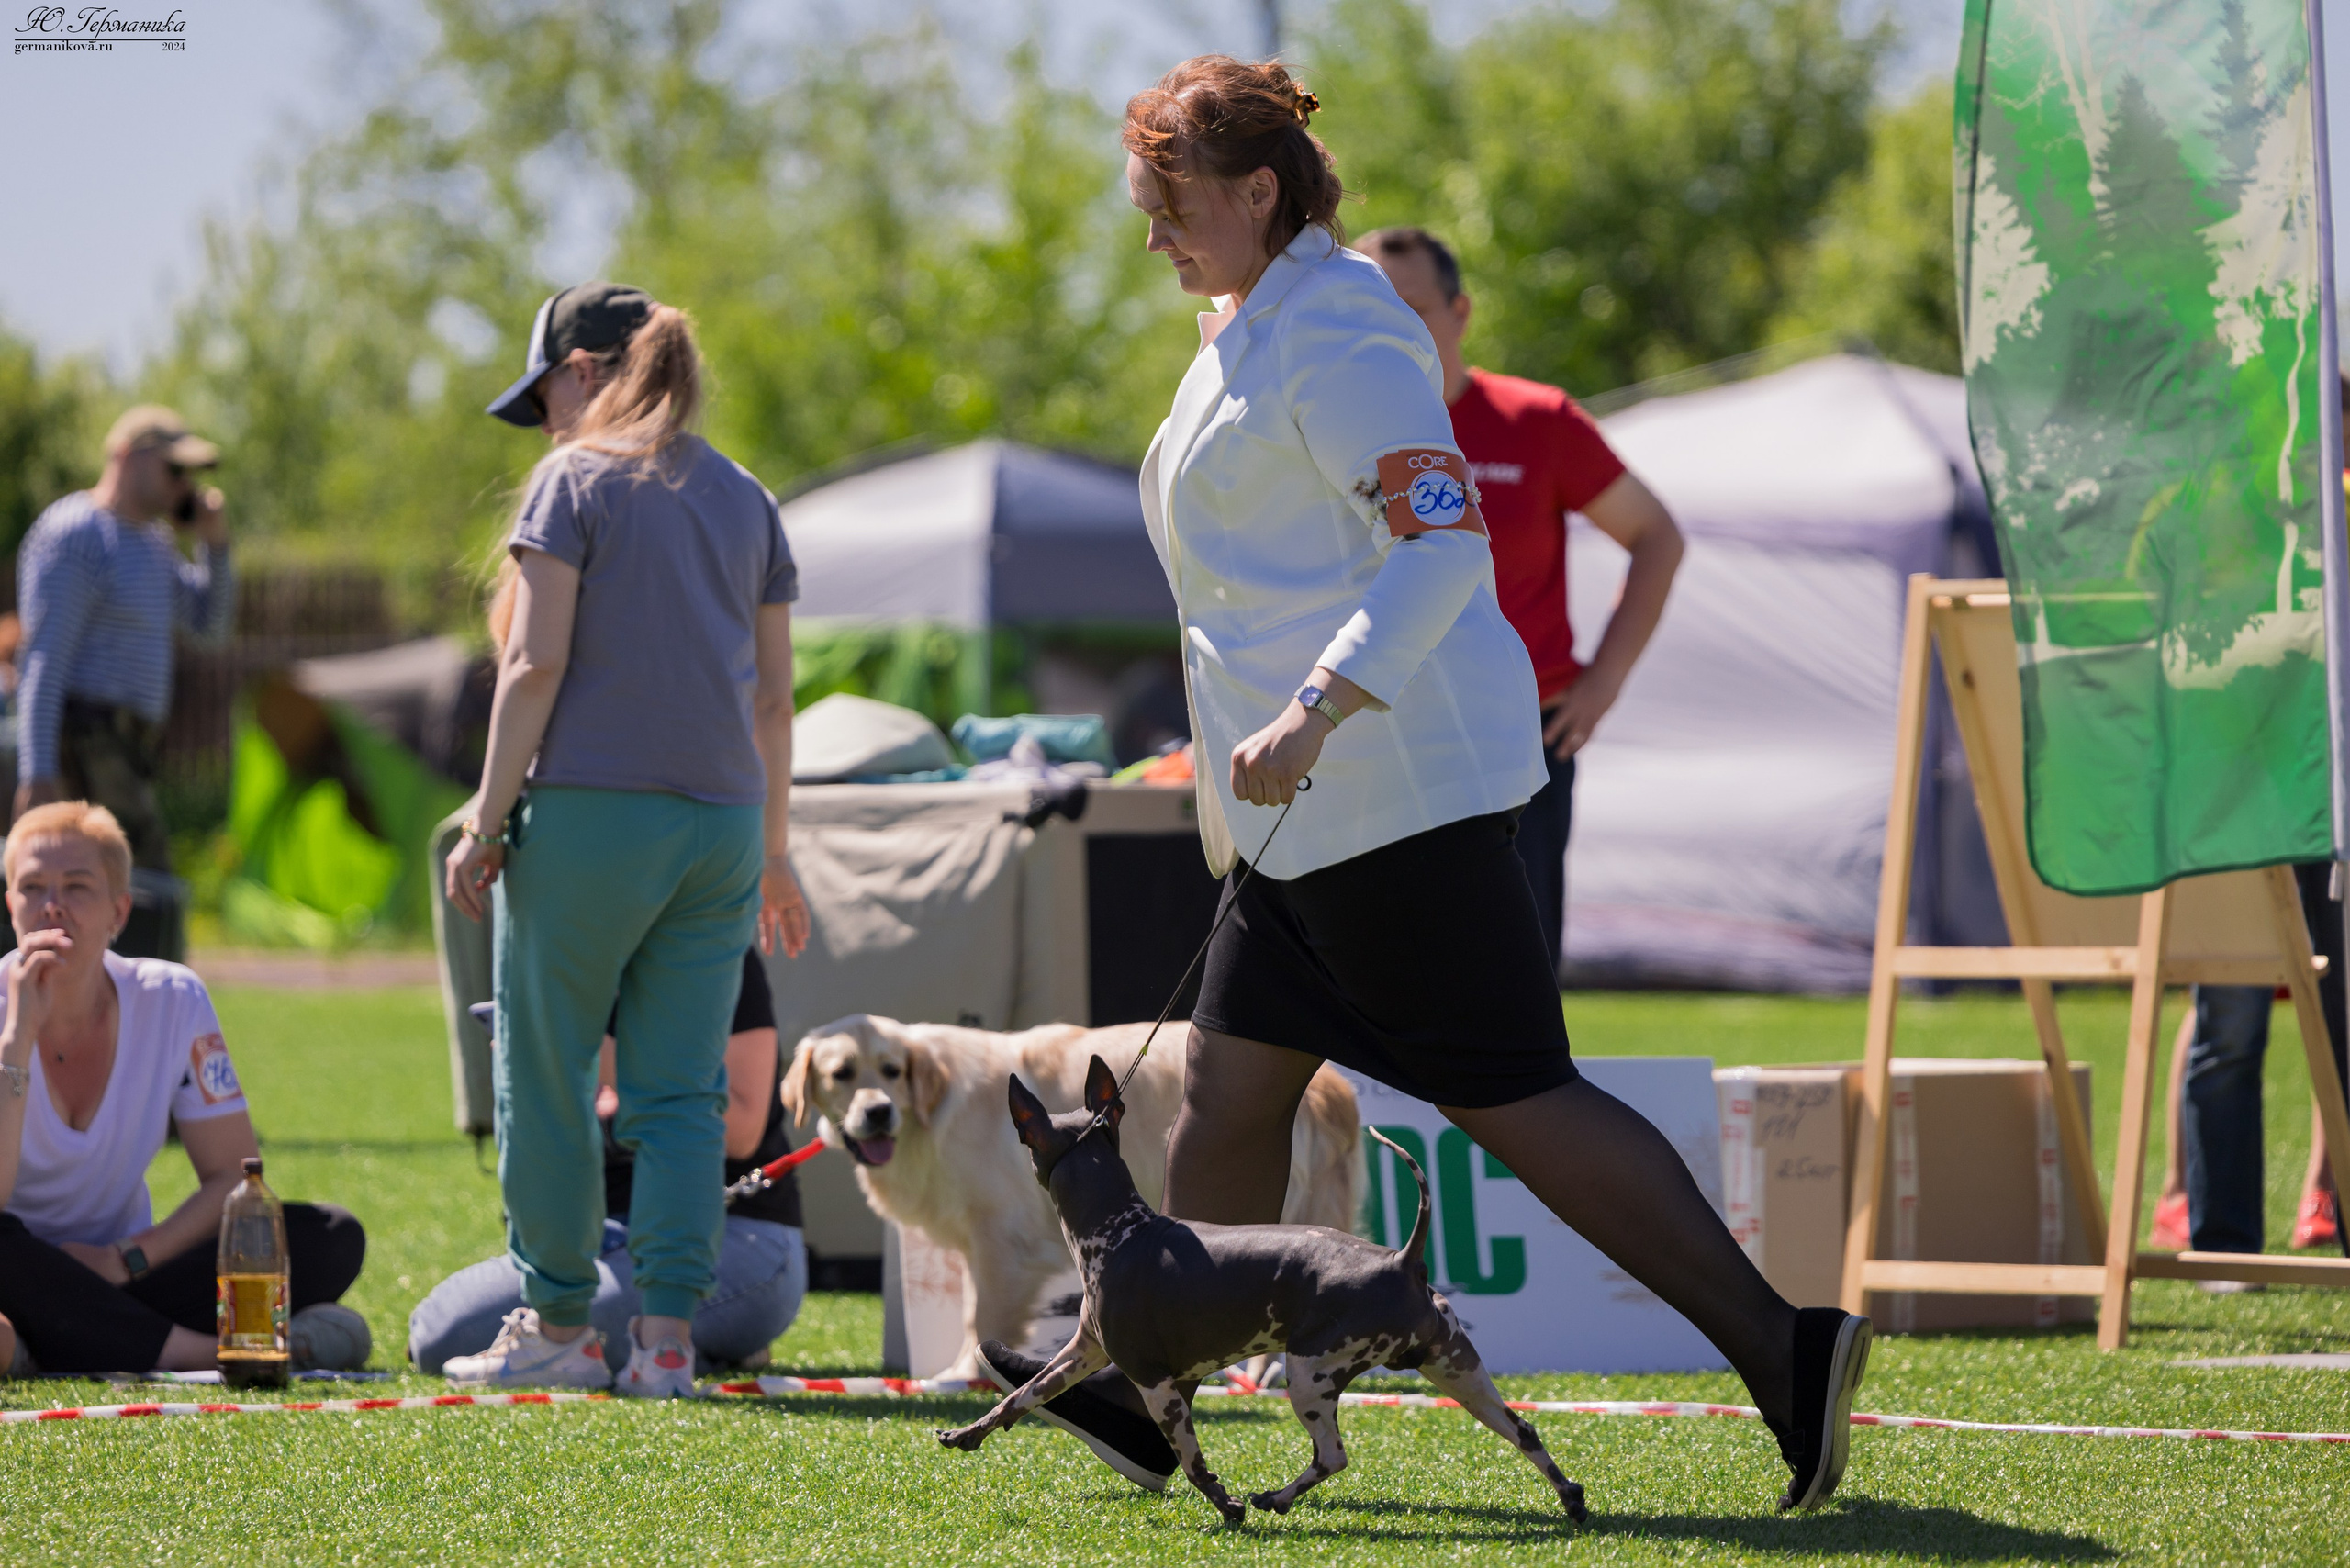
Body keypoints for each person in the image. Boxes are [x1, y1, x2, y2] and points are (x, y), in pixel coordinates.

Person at [978, 56, 1870, 1516]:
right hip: (1291, 817)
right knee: (1224, 1084)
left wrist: (1317, 707)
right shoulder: (1246, 326)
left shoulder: (1342, 328)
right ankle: (1155, 1388)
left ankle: (1785, 1347)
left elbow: (1441, 550)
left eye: (1173, 205)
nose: (1153, 236)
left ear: (1259, 193)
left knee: (1518, 1095)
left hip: (1385, 791)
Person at [441, 281, 811, 1398]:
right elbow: (776, 701)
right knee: (683, 1093)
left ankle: (556, 1321)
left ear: (589, 371)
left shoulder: (574, 481)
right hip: (725, 829)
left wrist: (486, 816)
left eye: (547, 390)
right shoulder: (748, 497)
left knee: (544, 1071)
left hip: (593, 819)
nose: (544, 421)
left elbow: (533, 664)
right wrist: (777, 851)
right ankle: (664, 1344)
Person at [1360, 228, 1683, 972]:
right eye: (1375, 311)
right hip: (1384, 733)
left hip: (1519, 738)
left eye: (1414, 308)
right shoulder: (1345, 428)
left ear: (1460, 312)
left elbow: (1657, 536)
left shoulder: (1536, 421)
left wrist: (1603, 683)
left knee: (1519, 972)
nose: (1396, 329)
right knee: (1391, 971)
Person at [0, 801, 367, 1376]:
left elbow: (233, 1175)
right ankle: (216, 1352)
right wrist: (16, 1039)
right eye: (32, 887)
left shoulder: (172, 997)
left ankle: (50, 1344)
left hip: (126, 1276)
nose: (52, 906)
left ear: (119, 911)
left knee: (330, 1236)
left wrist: (127, 1259)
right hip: (13, 1265)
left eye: (77, 887)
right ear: (10, 906)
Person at [408, 946, 808, 1373]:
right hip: (600, 1233)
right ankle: (709, 1351)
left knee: (528, 1334)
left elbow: (743, 1130)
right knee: (438, 1336)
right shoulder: (557, 958)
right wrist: (529, 1079)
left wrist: (599, 1055)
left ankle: (691, 1344)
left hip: (733, 1231)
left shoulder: (713, 946)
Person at [15, 407, 234, 871]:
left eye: (189, 474)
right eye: (174, 469)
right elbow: (43, 659)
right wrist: (38, 774)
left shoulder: (154, 542)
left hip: (128, 750)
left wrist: (214, 546)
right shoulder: (77, 533)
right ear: (125, 456)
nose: (185, 485)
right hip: (86, 740)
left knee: (110, 891)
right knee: (145, 879)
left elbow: (209, 630)